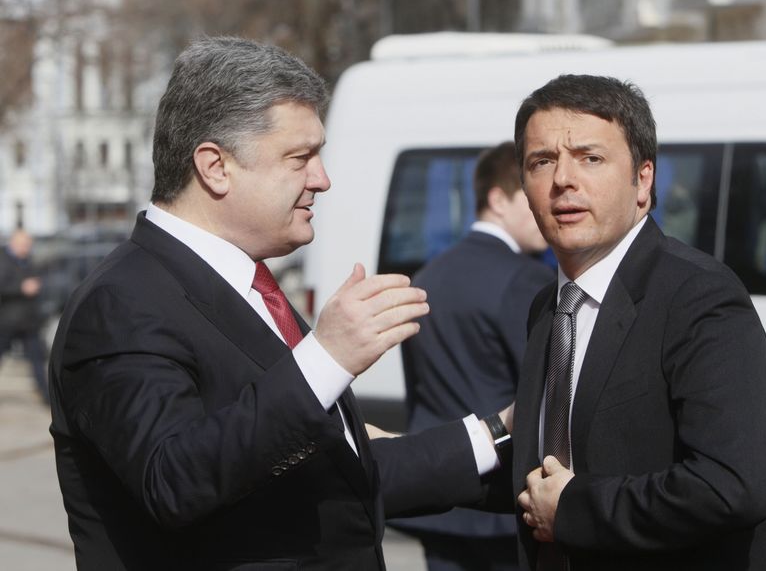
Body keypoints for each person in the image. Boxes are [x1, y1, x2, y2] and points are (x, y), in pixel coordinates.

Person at [48, 36, 511, 571]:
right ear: (215, 167)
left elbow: (333, 472)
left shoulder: (242, 284)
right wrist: (328, 357)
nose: (322, 179)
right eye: (300, 157)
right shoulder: (122, 303)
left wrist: (497, 433)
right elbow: (174, 478)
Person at [510, 75, 766, 570]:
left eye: (590, 158)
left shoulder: (699, 296)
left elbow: (729, 485)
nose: (562, 180)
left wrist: (575, 509)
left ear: (643, 181)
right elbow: (553, 469)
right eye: (543, 161)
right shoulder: (548, 305)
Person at [395, 141, 553, 571]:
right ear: (498, 199)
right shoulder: (526, 278)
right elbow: (545, 389)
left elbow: (419, 387)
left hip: (437, 492)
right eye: (531, 193)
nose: (547, 205)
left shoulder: (430, 275)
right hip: (498, 503)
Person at [0, 228, 48, 404]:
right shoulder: (3, 260)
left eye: (28, 244)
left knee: (37, 361)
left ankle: (47, 397)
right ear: (14, 243)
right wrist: (21, 288)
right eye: (23, 244)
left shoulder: (28, 260)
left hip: (28, 322)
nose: (26, 247)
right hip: (7, 321)